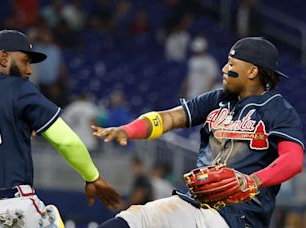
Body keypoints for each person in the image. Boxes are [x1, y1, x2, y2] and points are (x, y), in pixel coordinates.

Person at [92, 37, 304, 227]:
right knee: (135, 218)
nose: (223, 69)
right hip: (196, 203)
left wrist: (253, 180)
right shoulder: (216, 100)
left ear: (252, 71)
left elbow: (293, 160)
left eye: (231, 63)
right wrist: (128, 130)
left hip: (240, 217)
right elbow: (169, 118)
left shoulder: (279, 110)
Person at [0, 29, 121, 228]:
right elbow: (66, 140)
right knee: (52, 216)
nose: (29, 70)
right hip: (10, 209)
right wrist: (92, 177)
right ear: (3, 57)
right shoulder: (15, 87)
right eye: (25, 60)